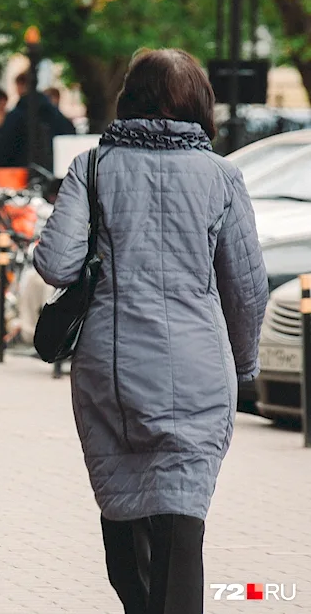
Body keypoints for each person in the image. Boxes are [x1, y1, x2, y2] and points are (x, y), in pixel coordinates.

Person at [33, 48, 268, 614]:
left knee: (124, 514)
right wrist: (243, 367)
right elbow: (248, 289)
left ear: (128, 99)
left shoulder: (93, 167)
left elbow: (56, 266)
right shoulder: (222, 176)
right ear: (199, 104)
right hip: (200, 373)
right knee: (182, 525)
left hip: (113, 375)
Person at [0, 72, 75, 174]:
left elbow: (5, 146)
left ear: (19, 86)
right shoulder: (52, 112)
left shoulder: (17, 114)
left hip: (21, 171)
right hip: (52, 169)